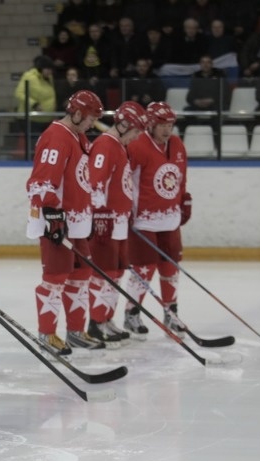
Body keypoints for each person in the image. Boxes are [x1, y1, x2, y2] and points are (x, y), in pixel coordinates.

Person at [25, 89, 105, 356]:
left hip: (77, 220)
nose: (92, 124)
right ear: (78, 113)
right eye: (91, 118)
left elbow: (81, 179)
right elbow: (42, 179)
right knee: (55, 277)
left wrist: (87, 213)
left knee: (81, 275)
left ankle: (76, 331)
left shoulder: (78, 136)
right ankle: (47, 334)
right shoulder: (57, 135)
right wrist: (52, 215)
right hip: (58, 219)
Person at [124, 101, 189, 337]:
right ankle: (131, 313)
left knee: (170, 268)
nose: (167, 129)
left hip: (170, 219)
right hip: (143, 220)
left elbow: (180, 177)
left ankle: (171, 313)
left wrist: (184, 200)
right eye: (162, 125)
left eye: (170, 125)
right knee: (143, 269)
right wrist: (125, 210)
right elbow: (125, 179)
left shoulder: (177, 145)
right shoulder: (137, 146)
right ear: (150, 125)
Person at [85, 101, 148, 345]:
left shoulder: (119, 145)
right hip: (106, 221)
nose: (136, 137)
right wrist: (100, 216)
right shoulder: (105, 144)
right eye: (135, 131)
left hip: (119, 221)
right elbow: (95, 182)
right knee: (104, 273)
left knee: (117, 272)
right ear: (122, 126)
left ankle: (106, 318)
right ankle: (96, 322)